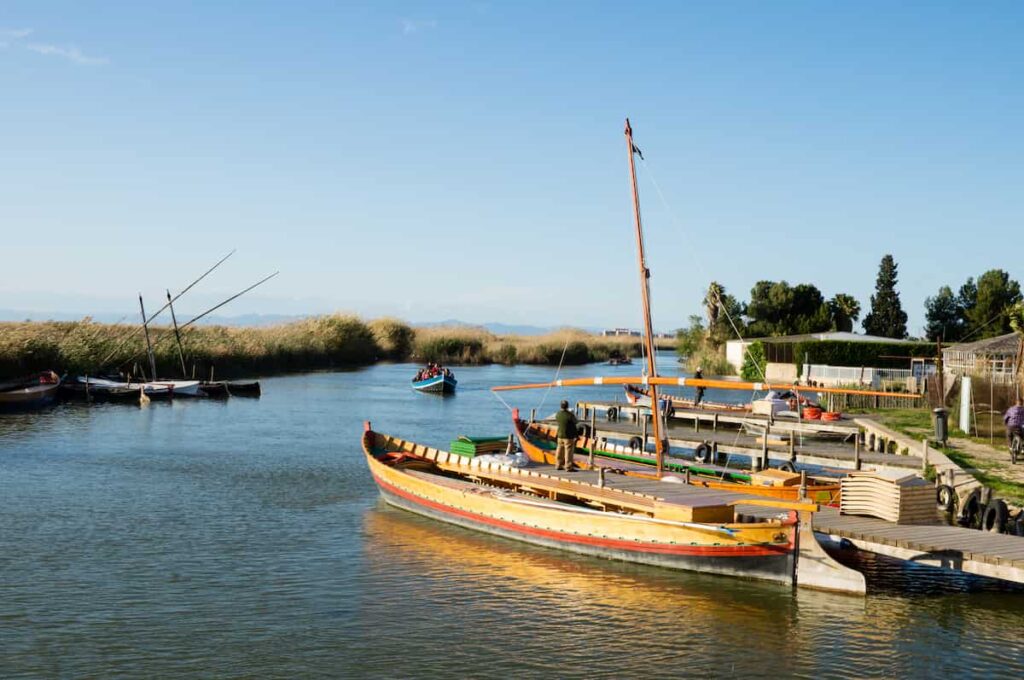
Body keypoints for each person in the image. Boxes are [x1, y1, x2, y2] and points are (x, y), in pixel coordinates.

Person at [554, 399, 579, 471]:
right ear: (567, 406)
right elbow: (576, 421)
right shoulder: (569, 415)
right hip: (568, 436)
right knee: (568, 451)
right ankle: (568, 466)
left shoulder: (558, 414)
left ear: (560, 406)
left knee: (559, 450)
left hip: (560, 435)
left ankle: (558, 465)